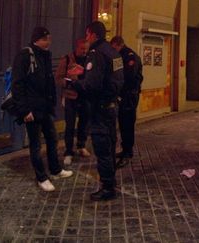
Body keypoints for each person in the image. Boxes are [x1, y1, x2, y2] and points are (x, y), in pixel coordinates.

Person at [11, 27, 73, 192]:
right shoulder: (25, 56)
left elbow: (47, 81)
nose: (49, 42)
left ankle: (55, 170)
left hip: (45, 108)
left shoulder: (45, 55)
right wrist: (24, 111)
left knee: (52, 139)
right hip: (32, 110)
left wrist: (52, 103)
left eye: (49, 39)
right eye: (46, 39)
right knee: (36, 145)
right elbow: (17, 85)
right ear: (37, 39)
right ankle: (41, 177)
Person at [74, 21, 124, 201]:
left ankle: (107, 188)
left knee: (102, 149)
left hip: (100, 109)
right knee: (110, 147)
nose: (86, 39)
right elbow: (115, 78)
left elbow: (92, 85)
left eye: (87, 35)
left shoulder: (96, 53)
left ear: (92, 34)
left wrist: (74, 83)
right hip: (111, 107)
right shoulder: (113, 52)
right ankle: (111, 182)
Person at [55, 38, 91, 165]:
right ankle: (68, 152)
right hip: (71, 97)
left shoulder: (89, 60)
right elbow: (58, 78)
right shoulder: (67, 59)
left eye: (86, 48)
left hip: (85, 97)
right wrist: (69, 83)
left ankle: (81, 146)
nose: (84, 51)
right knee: (70, 125)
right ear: (77, 47)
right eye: (82, 48)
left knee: (84, 123)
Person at [110, 36, 143, 168]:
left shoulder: (130, 57)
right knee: (123, 123)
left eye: (114, 48)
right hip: (123, 95)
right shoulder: (121, 56)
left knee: (128, 123)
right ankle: (125, 150)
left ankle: (128, 153)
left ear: (119, 45)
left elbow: (128, 77)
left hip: (129, 95)